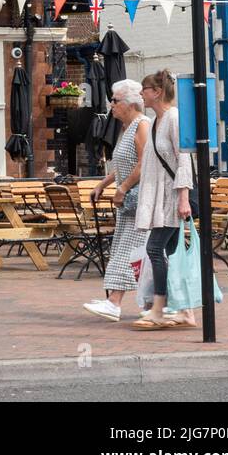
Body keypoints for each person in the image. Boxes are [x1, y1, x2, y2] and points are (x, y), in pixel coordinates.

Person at [133, 69, 196, 330]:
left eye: (144, 89)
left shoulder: (174, 118)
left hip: (170, 197)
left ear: (156, 92)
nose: (141, 93)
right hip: (160, 197)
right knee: (170, 251)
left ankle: (158, 309)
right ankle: (186, 311)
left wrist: (184, 198)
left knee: (154, 249)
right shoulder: (157, 121)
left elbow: (184, 159)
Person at [83, 80, 150, 321]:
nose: (111, 105)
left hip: (138, 200)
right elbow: (124, 164)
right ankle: (154, 304)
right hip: (130, 201)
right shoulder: (127, 127)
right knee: (139, 252)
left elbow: (144, 164)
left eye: (115, 101)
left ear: (130, 103)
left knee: (129, 251)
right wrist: (103, 183)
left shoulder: (142, 125)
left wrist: (122, 188)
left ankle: (114, 302)